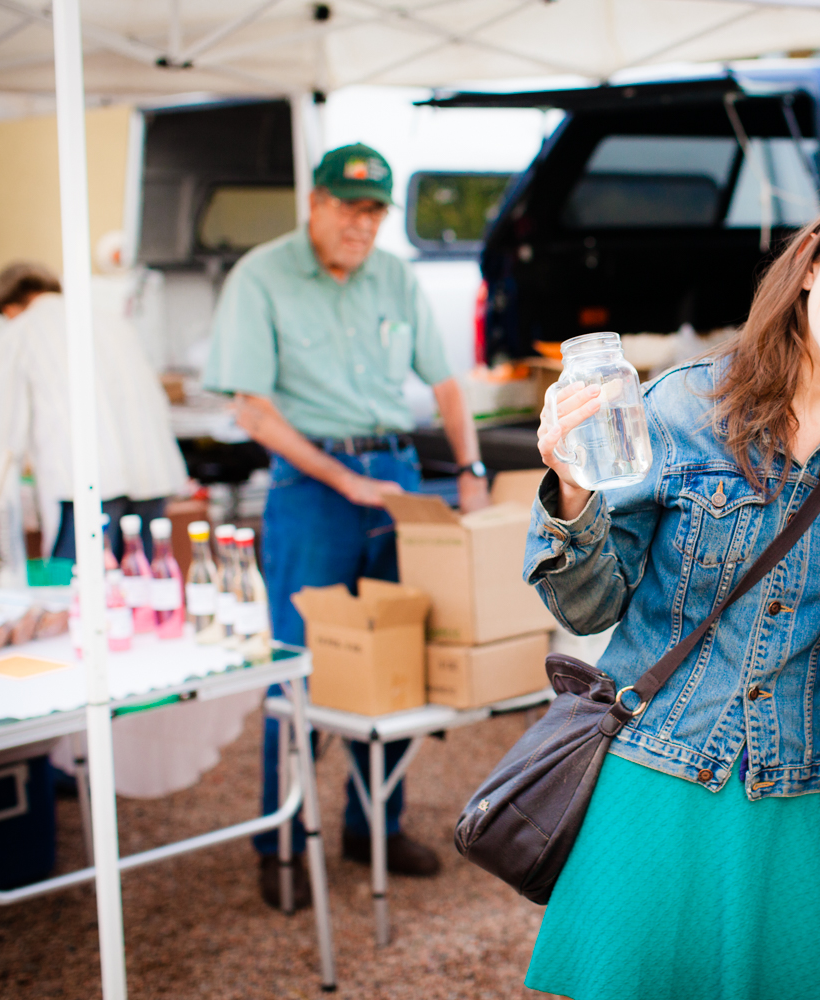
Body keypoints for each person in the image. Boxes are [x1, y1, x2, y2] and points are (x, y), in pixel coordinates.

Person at [521, 184, 820, 1000]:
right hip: (654, 778)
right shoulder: (685, 404)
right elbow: (586, 609)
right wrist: (572, 489)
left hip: (806, 799)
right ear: (811, 261)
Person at [202, 143, 490, 909]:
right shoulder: (260, 277)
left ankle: (375, 825)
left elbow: (445, 384)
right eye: (348, 207)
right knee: (297, 669)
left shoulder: (395, 275)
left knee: (397, 655)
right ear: (316, 205)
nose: (361, 224)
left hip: (393, 479)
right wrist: (343, 479)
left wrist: (470, 473)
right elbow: (251, 409)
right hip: (313, 484)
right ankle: (282, 842)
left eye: (373, 210)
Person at [0, 261, 186, 561]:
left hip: (89, 487)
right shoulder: (111, 321)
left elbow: (0, 431)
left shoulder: (18, 333)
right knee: (143, 588)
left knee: (79, 594)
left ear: (9, 306)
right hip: (152, 475)